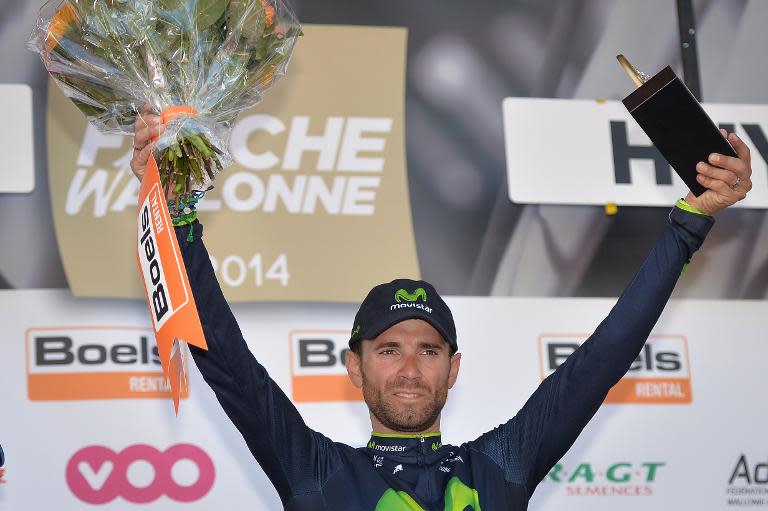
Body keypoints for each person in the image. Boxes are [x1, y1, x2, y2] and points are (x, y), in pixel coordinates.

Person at [131, 109, 751, 510]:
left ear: (454, 369)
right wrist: (174, 210)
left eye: (428, 351)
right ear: (354, 367)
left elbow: (603, 357)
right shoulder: (316, 474)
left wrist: (689, 224)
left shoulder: (502, 467)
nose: (409, 369)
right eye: (388, 349)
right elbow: (226, 359)